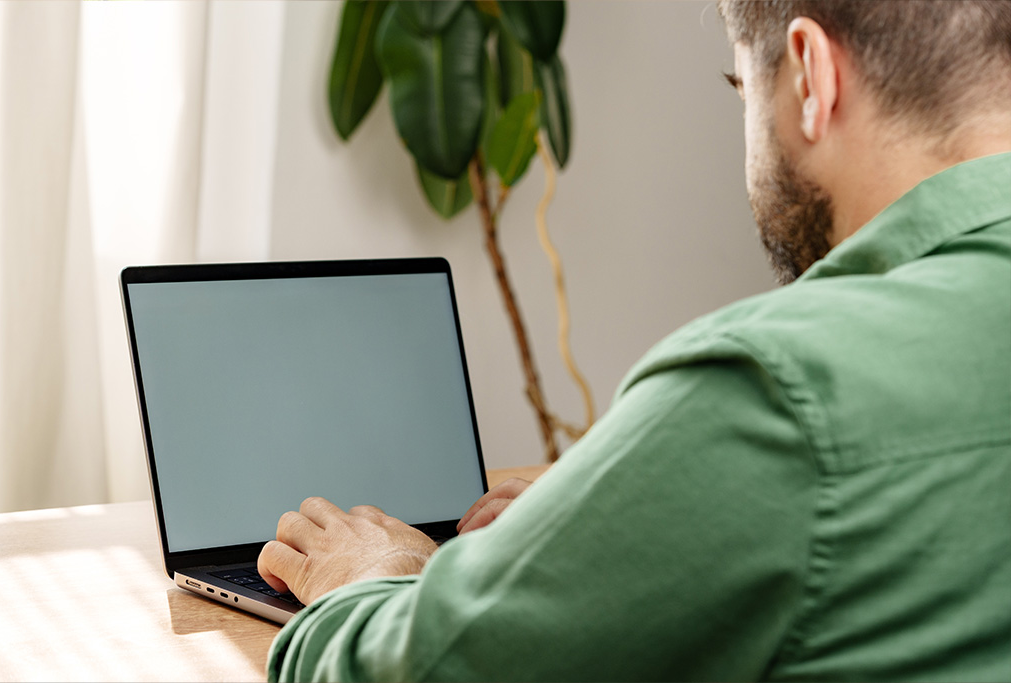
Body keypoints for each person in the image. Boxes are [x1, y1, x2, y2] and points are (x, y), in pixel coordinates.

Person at [258, 1, 1011, 680]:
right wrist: (625, 520)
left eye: (743, 90)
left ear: (812, 77)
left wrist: (374, 576)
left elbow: (408, 673)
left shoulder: (773, 386)